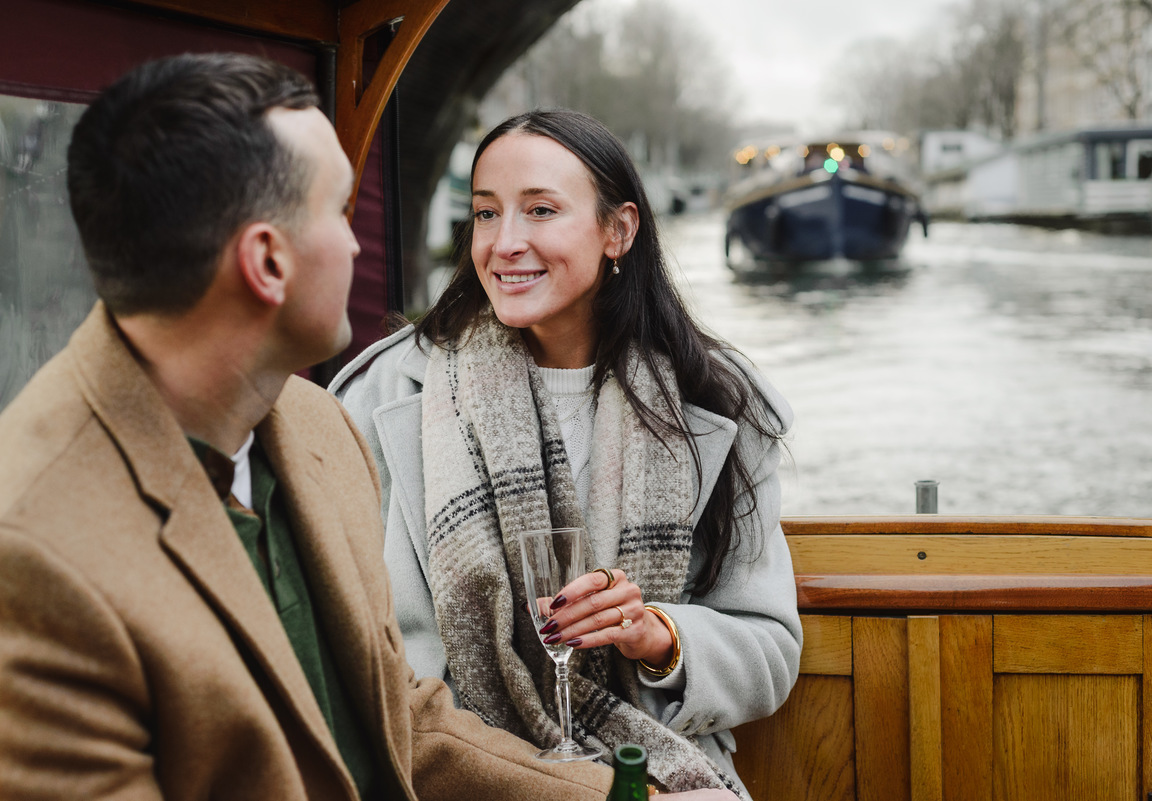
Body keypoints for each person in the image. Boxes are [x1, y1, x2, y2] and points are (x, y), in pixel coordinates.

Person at [0, 54, 732, 801]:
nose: (358, 246)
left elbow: (399, 716)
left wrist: (620, 798)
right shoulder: (29, 549)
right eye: (338, 212)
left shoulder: (317, 427)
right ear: (267, 261)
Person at [330, 109, 803, 798]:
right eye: (486, 214)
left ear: (620, 230)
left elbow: (769, 646)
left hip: (651, 763)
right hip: (448, 768)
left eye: (541, 210)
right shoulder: (381, 393)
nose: (504, 243)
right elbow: (350, 645)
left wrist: (657, 634)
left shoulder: (718, 401)